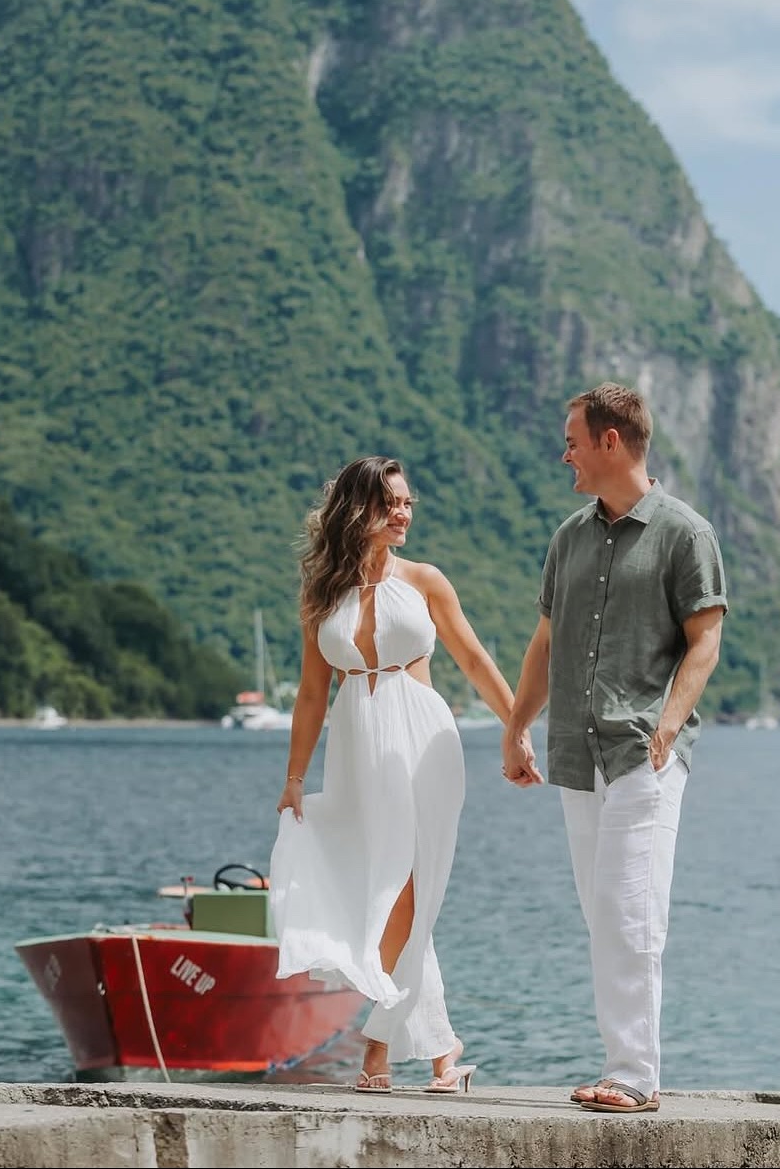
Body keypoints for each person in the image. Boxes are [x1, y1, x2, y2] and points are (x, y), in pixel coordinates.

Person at [270, 455, 540, 1094]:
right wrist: (293, 778)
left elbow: (473, 659)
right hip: (356, 750)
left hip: (422, 742)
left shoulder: (425, 580)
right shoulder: (321, 594)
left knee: (407, 892)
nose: (404, 513)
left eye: (409, 503)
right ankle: (445, 1053)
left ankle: (376, 1048)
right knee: (381, 891)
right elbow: (312, 695)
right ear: (356, 508)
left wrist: (516, 728)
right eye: (392, 502)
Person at [502, 383, 726, 1114]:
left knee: (631, 912)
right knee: (604, 914)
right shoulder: (566, 539)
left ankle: (635, 1075)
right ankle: (621, 1063)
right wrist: (516, 725)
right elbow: (544, 643)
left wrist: (669, 719)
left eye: (572, 439)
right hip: (575, 751)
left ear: (610, 441)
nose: (563, 453)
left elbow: (706, 641)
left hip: (645, 755)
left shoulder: (685, 533)